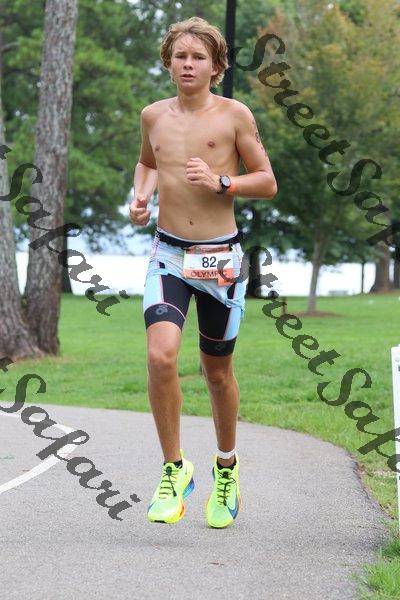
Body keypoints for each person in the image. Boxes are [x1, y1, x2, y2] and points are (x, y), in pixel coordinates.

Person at [129, 16, 277, 528]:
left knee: (216, 372)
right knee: (160, 355)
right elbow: (149, 163)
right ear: (168, 62)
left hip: (219, 261)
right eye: (180, 56)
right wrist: (141, 197)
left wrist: (222, 182)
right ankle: (174, 468)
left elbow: (267, 181)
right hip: (168, 256)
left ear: (216, 67)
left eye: (199, 57)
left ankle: (226, 467)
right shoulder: (153, 115)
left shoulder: (234, 115)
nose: (188, 64)